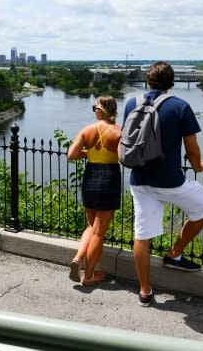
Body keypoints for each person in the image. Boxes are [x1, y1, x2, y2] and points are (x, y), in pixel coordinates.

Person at [122, 61, 203, 307]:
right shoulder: (180, 106)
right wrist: (198, 167)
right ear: (172, 82)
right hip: (170, 181)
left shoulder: (132, 103)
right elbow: (192, 149)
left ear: (147, 80)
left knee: (142, 235)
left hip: (139, 179)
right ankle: (174, 254)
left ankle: (144, 291)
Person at [67, 95, 122, 286]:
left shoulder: (87, 130)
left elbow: (71, 155)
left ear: (101, 110)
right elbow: (124, 158)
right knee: (99, 232)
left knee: (91, 226)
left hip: (90, 177)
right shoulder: (118, 132)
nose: (94, 111)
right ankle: (89, 276)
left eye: (95, 108)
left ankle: (77, 258)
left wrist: (89, 152)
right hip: (109, 179)